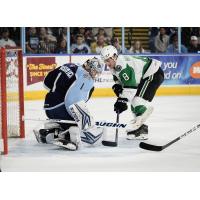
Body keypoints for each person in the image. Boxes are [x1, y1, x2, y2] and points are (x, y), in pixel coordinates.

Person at [34, 57, 104, 150]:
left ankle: (51, 132)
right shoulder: (85, 76)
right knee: (78, 123)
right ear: (90, 68)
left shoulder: (69, 65)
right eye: (95, 71)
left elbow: (46, 83)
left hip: (48, 107)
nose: (95, 75)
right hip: (61, 109)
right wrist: (82, 120)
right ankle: (70, 136)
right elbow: (72, 100)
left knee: (68, 120)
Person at [100, 45, 164, 140]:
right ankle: (141, 129)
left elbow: (130, 87)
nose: (107, 63)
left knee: (137, 101)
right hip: (145, 76)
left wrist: (122, 100)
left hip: (153, 74)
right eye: (105, 61)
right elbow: (120, 80)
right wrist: (118, 86)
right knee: (134, 101)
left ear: (114, 56)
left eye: (108, 60)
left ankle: (141, 118)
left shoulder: (122, 65)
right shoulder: (114, 65)